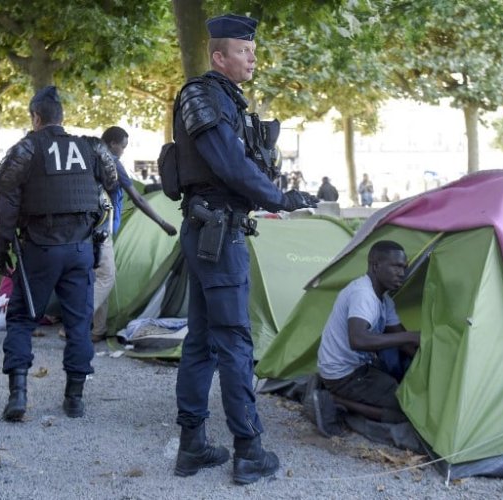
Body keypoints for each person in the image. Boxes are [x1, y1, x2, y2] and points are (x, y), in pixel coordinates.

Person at [172, 13, 318, 484]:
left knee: (201, 340)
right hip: (219, 231)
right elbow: (232, 165)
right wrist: (281, 199)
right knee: (234, 340)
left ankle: (192, 446)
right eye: (243, 50)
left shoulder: (223, 99)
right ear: (219, 56)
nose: (252, 57)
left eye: (253, 50)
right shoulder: (202, 94)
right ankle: (248, 451)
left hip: (210, 229)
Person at [0, 85, 117, 422]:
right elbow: (112, 180)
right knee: (79, 322)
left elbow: (6, 200)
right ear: (61, 118)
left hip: (40, 249)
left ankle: (18, 396)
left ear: (35, 117)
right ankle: (74, 398)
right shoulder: (91, 147)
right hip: (80, 249)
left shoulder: (27, 148)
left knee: (20, 318)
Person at [316, 240, 420, 434]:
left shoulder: (384, 299)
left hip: (360, 367)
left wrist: (427, 360)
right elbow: (359, 340)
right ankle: (333, 399)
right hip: (343, 374)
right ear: (375, 266)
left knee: (407, 388)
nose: (402, 273)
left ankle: (337, 394)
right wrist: (411, 337)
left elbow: (401, 338)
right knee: (405, 410)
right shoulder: (363, 294)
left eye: (404, 268)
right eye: (396, 266)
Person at [90, 126, 177, 343]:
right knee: (107, 277)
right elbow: (137, 198)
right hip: (102, 232)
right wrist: (162, 222)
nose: (123, 151)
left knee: (99, 278)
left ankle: (97, 329)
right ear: (112, 144)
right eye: (123, 146)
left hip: (87, 230)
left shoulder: (90, 158)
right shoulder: (111, 162)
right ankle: (76, 322)